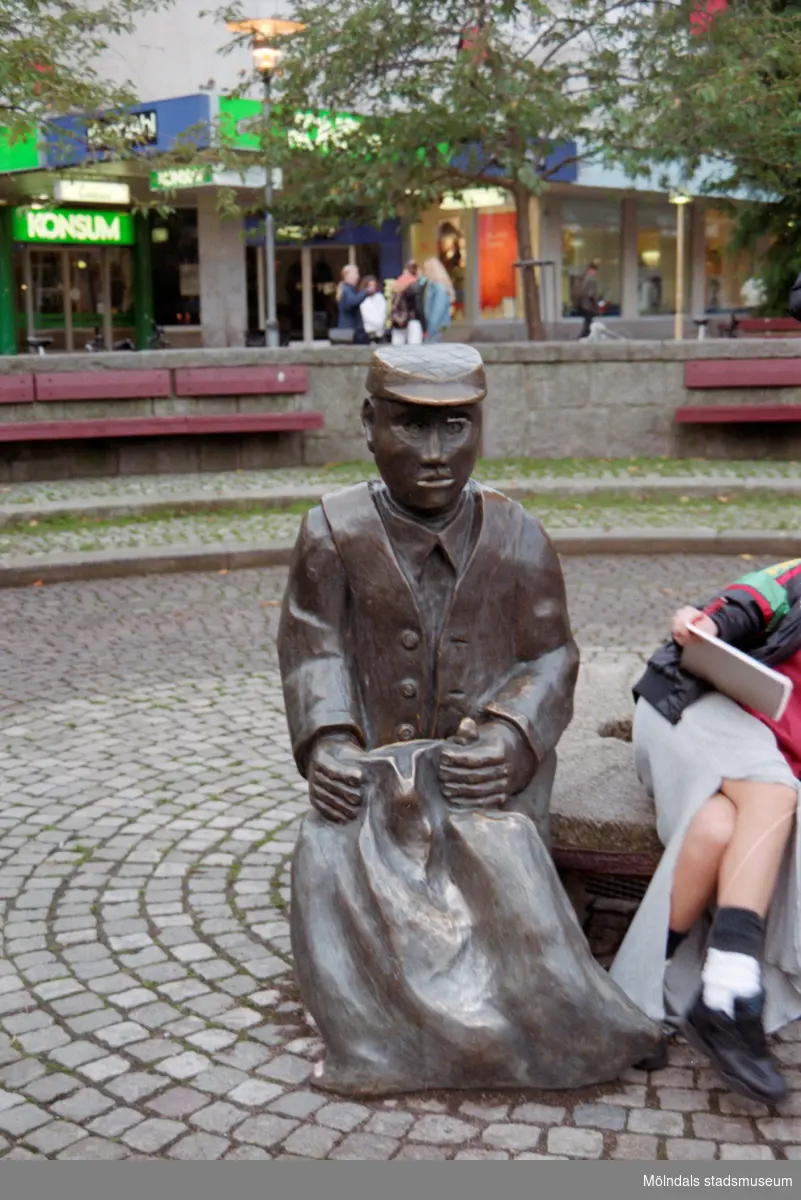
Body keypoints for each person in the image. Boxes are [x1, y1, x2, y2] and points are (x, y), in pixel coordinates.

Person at [278, 344, 659, 1095]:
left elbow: (551, 658)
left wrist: (513, 737)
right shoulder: (331, 533)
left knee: (495, 855)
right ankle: (380, 1040)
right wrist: (328, 739)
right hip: (375, 768)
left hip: (486, 764)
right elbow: (311, 649)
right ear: (368, 423)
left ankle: (539, 1030)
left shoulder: (517, 536)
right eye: (410, 428)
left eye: (455, 428)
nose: (433, 453)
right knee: (328, 856)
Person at [610, 558, 801, 1104]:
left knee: (717, 828)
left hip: (757, 772)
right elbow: (750, 599)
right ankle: (729, 992)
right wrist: (710, 625)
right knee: (774, 789)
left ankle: (634, 1001)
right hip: (691, 709)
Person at [390, 259, 426, 345]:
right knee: (414, 346)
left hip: (398, 320)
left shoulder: (398, 282)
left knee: (397, 346)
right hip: (413, 319)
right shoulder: (415, 285)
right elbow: (418, 306)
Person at [421, 257, 455, 342]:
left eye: (427, 269)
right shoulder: (432, 285)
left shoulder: (439, 288)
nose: (425, 272)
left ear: (432, 270)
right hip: (436, 326)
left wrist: (430, 329)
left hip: (436, 326)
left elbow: (438, 310)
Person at [335, 264, 369, 344]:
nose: (358, 277)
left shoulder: (347, 289)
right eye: (355, 274)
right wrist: (366, 292)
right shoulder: (347, 290)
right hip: (351, 332)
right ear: (346, 275)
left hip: (350, 332)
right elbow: (353, 302)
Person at [359, 275, 387, 343]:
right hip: (368, 333)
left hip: (380, 333)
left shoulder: (380, 297)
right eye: (370, 285)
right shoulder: (362, 299)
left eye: (374, 285)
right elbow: (366, 316)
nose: (372, 288)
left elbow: (383, 313)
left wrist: (380, 324)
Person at [577, 262, 600, 339]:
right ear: (590, 270)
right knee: (588, 321)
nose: (595, 273)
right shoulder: (591, 280)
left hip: (584, 304)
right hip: (589, 305)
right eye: (594, 271)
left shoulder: (583, 278)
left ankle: (585, 335)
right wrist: (596, 305)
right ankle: (584, 335)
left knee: (588, 321)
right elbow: (592, 294)